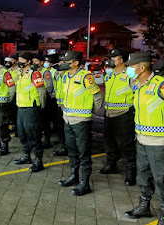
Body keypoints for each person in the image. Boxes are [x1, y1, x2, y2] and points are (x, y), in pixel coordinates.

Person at [123, 53, 164, 225]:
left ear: (141, 67)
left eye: (131, 66)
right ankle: (144, 205)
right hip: (142, 138)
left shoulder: (162, 85)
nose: (128, 69)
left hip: (160, 141)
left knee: (161, 177)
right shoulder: (137, 85)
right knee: (143, 174)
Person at [57, 51, 103, 196]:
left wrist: (90, 112)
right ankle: (74, 176)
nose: (63, 63)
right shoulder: (65, 76)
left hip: (81, 120)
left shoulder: (86, 76)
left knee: (83, 151)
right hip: (68, 119)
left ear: (76, 62)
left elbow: (97, 96)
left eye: (67, 61)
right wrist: (64, 110)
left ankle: (85, 182)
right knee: (71, 149)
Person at [98, 49, 137, 186]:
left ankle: (131, 170)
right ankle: (111, 164)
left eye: (112, 58)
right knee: (108, 140)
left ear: (121, 60)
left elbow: (137, 94)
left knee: (126, 143)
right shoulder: (109, 76)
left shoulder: (130, 75)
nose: (109, 60)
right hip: (109, 113)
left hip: (124, 113)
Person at [13, 52, 47, 172]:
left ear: (28, 62)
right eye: (19, 59)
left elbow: (42, 92)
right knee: (22, 133)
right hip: (21, 107)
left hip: (31, 108)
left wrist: (40, 106)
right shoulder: (19, 74)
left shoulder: (34, 73)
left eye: (22, 60)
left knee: (33, 134)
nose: (19, 61)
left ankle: (38, 160)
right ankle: (26, 156)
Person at [32, 54, 55, 149]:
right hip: (36, 98)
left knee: (45, 121)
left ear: (41, 62)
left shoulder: (45, 72)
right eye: (33, 61)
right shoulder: (33, 72)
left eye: (36, 61)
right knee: (38, 121)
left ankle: (47, 140)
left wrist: (45, 96)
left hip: (45, 98)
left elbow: (49, 86)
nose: (34, 63)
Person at [52, 55, 67, 156]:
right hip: (59, 105)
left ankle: (67, 147)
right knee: (60, 128)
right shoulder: (59, 75)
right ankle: (63, 146)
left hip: (68, 107)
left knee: (67, 129)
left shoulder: (69, 76)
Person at [4, 55, 20, 136]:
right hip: (10, 92)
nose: (10, 62)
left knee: (16, 112)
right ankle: (13, 126)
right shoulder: (9, 70)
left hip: (17, 92)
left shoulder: (19, 70)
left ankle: (18, 129)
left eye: (12, 60)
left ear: (17, 61)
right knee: (11, 112)